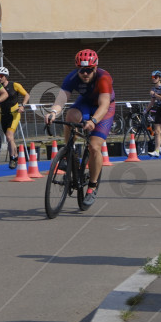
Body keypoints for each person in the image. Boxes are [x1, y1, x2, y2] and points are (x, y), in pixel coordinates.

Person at [44, 49, 115, 206]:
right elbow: (61, 100)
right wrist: (53, 113)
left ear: (95, 68)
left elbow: (104, 106)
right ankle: (69, 153)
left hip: (104, 108)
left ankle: (92, 186)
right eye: (82, 70)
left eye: (89, 70)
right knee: (70, 116)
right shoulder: (72, 77)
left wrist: (94, 121)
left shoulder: (104, 78)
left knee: (94, 146)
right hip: (86, 103)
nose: (85, 74)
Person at [0, 66, 29, 169]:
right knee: (10, 138)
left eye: (1, 76)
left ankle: (12, 158)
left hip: (14, 114)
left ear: (6, 76)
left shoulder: (14, 85)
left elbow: (26, 95)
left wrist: (22, 105)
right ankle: (16, 156)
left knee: (9, 136)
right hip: (3, 115)